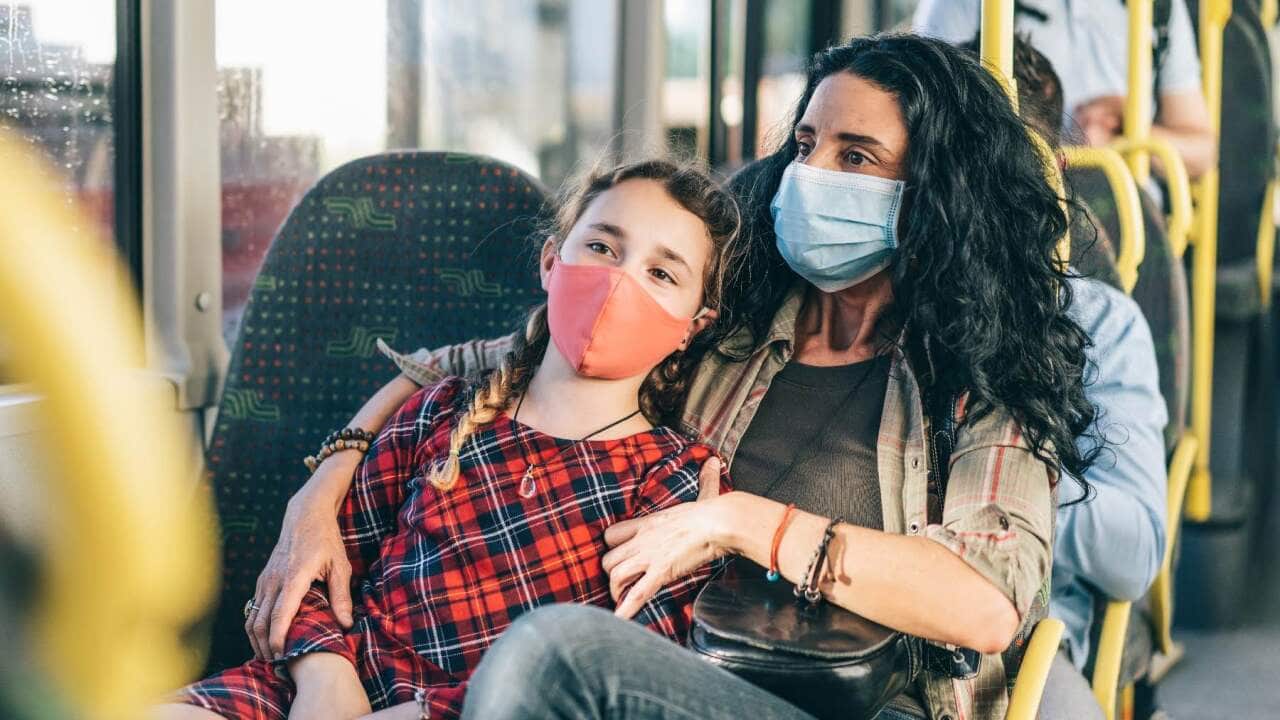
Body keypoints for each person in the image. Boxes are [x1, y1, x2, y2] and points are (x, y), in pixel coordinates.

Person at [253, 35, 1101, 720]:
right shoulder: (725, 331)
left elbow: (986, 603)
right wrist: (324, 486)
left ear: (935, 193)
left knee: (554, 651)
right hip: (683, 674)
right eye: (805, 145)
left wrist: (738, 522)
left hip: (867, 702)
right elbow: (469, 365)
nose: (812, 176)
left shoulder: (978, 381)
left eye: (857, 157)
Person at [152, 159, 741, 720]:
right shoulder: (440, 411)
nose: (618, 281)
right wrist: (324, 676)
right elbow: (321, 566)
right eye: (602, 247)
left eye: (661, 274)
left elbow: (617, 675)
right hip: (323, 687)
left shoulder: (679, 484)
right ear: (549, 263)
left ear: (693, 327)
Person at [914, 0, 1216, 179]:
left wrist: (1129, 129)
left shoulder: (1157, 8)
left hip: (1129, 211)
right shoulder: (968, 5)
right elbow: (928, 133)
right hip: (1008, 197)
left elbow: (1203, 154)